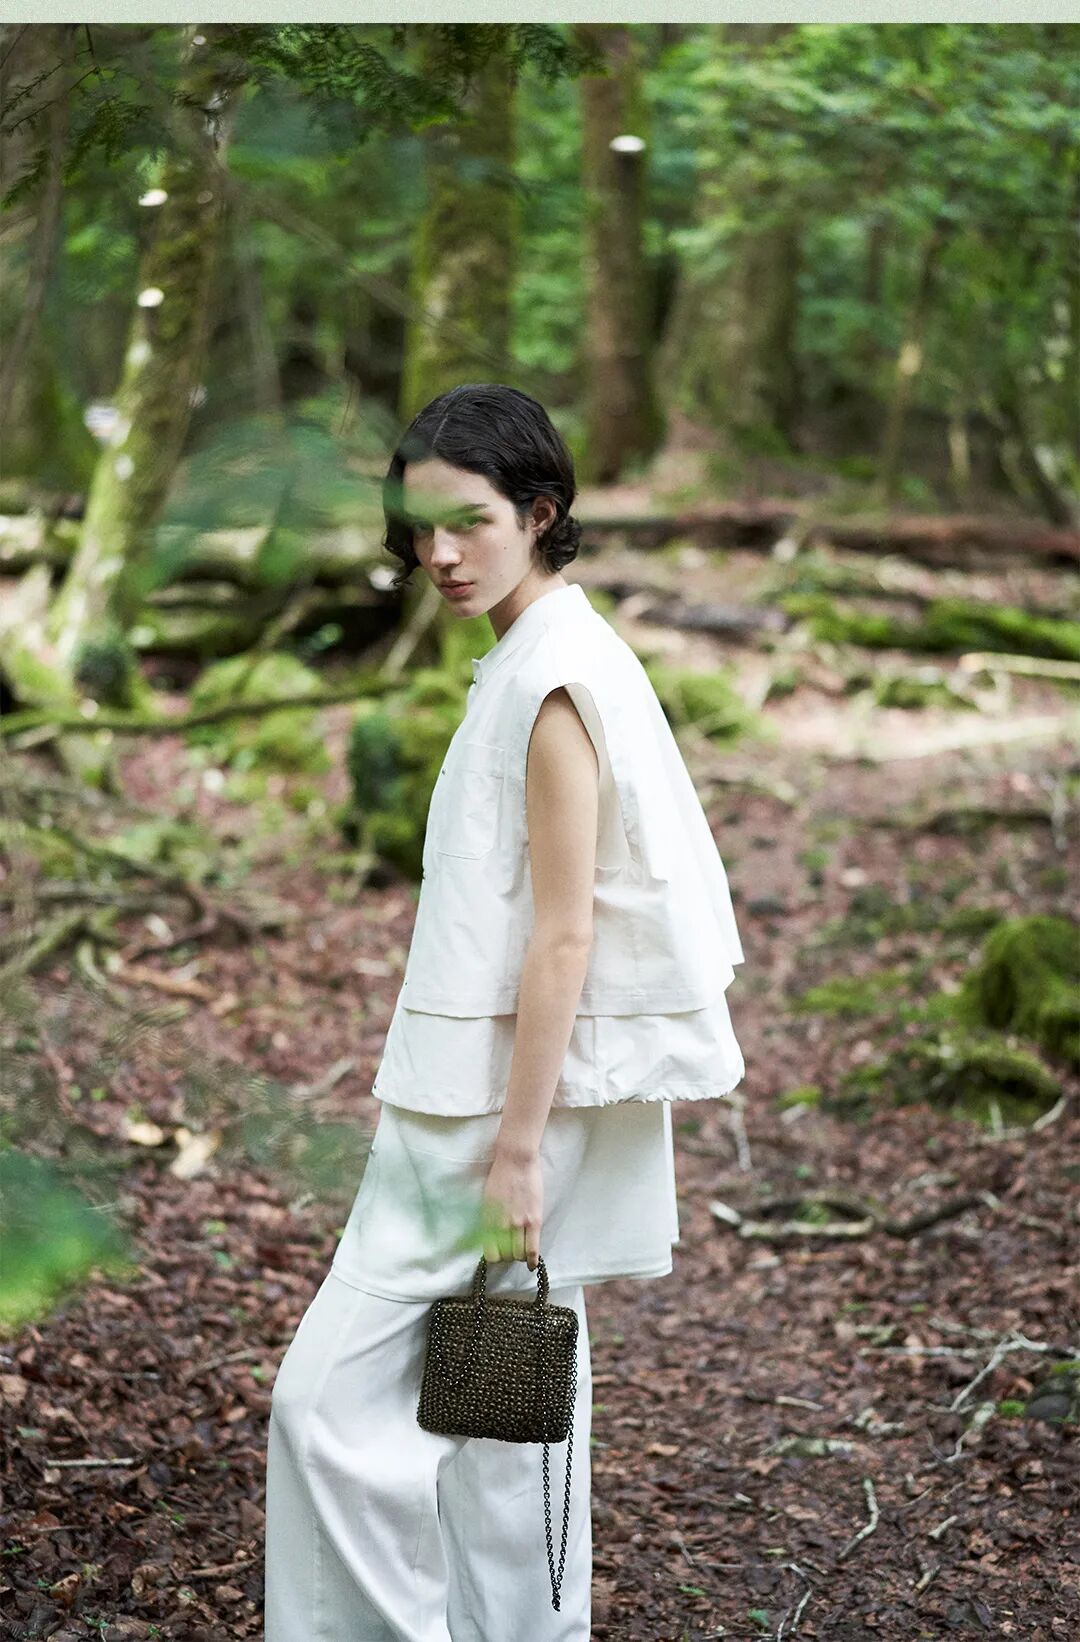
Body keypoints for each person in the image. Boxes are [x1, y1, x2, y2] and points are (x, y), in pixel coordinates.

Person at [263, 383, 747, 1641]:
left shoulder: (555, 679)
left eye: (468, 521)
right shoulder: (548, 653)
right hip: (495, 1089)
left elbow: (568, 931)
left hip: (485, 1109)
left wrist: (519, 1148)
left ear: (540, 511)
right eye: (420, 527)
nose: (439, 554)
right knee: (507, 1418)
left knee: (324, 1405)